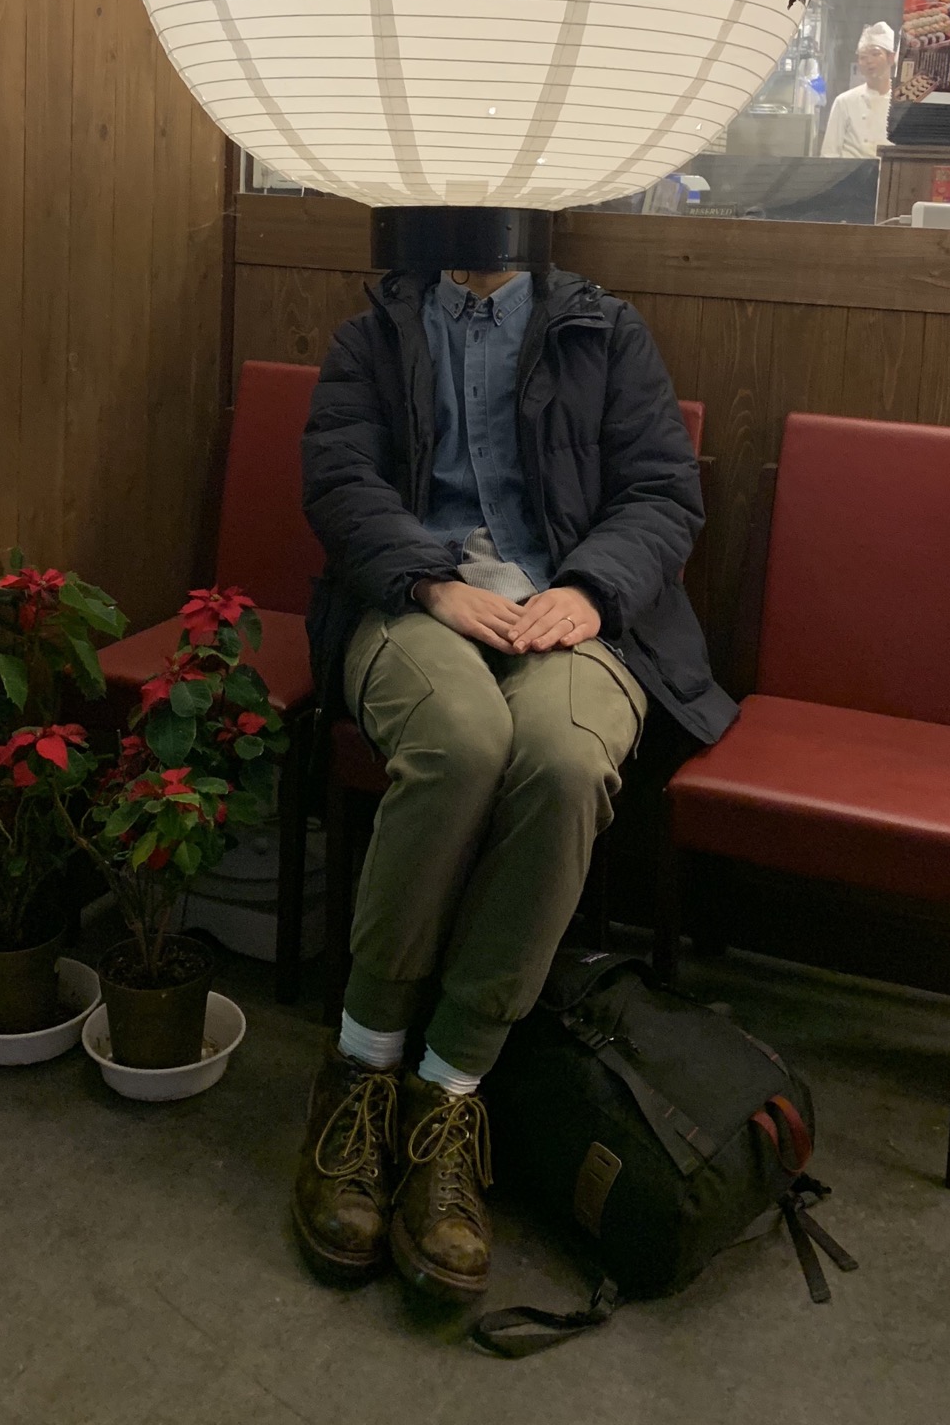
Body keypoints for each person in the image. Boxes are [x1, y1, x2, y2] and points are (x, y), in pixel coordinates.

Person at [291, 257, 735, 1303]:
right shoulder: (373, 332)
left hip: (574, 616)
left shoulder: (605, 330)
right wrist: (429, 580)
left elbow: (663, 491)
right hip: (410, 604)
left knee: (566, 761)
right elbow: (340, 483)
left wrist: (593, 588)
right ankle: (360, 1069)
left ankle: (448, 1089)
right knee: (458, 740)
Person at [820, 21, 897, 159]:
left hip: (889, 171)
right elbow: (829, 154)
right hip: (852, 172)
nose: (869, 61)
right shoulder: (844, 101)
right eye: (863, 57)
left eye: (875, 54)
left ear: (891, 58)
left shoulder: (901, 102)